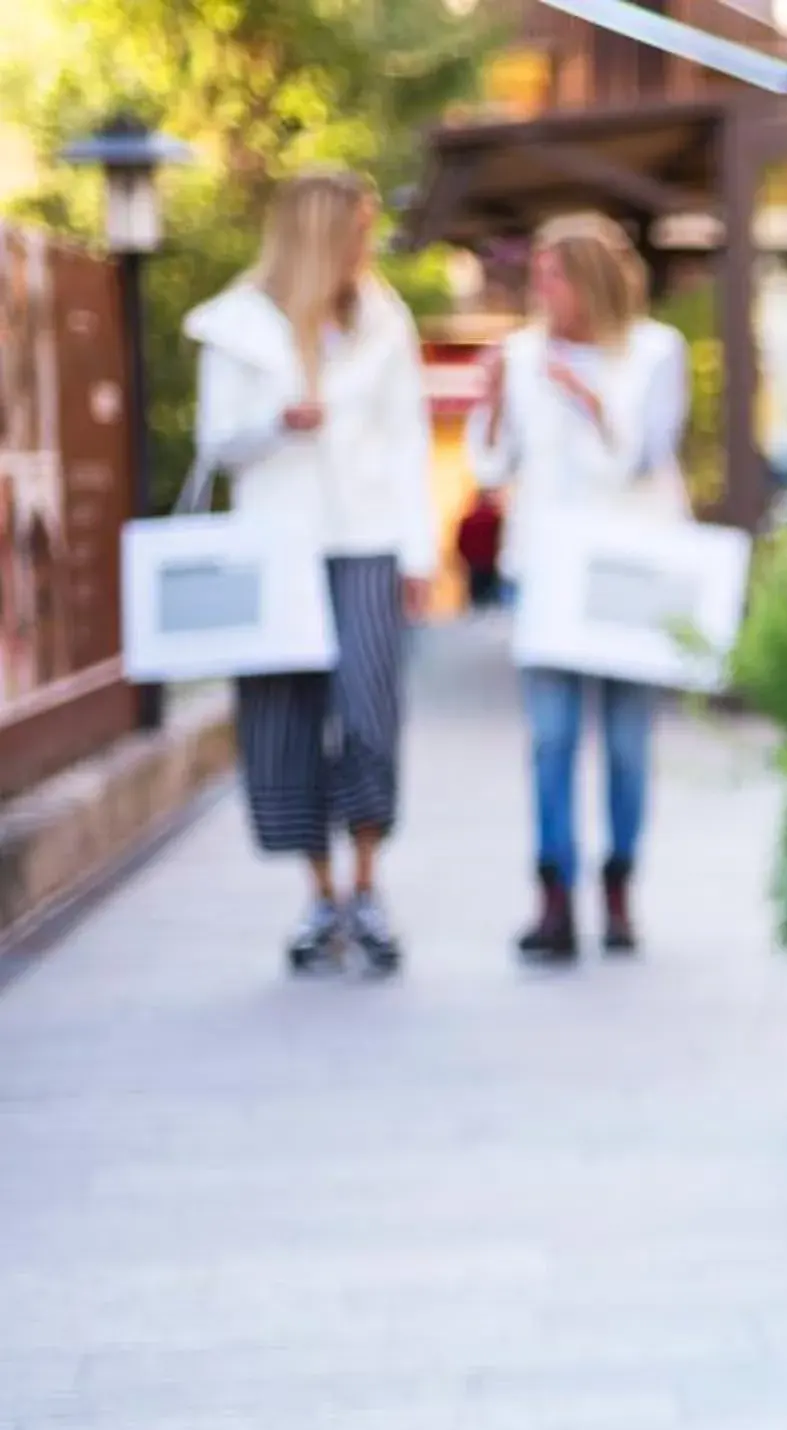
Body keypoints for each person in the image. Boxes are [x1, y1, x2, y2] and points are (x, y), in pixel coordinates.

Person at [185, 169, 435, 976]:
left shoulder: (382, 320)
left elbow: (410, 440)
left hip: (364, 540)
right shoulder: (238, 324)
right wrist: (277, 423)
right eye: (358, 228)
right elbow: (215, 439)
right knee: (283, 722)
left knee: (370, 715)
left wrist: (420, 552)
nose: (369, 244)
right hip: (277, 547)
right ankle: (321, 894)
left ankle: (368, 883)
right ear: (323, 232)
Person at [468, 212, 690, 964]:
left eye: (551, 275)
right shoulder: (523, 355)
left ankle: (620, 882)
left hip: (627, 571)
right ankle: (554, 894)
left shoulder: (658, 352)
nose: (540, 290)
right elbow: (493, 470)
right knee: (552, 739)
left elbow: (645, 458)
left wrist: (594, 404)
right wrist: (494, 398)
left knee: (627, 744)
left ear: (586, 278)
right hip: (547, 571)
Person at [455, 488, 504, 610]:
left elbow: (461, 542)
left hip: (474, 562)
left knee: (476, 596)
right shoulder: (496, 519)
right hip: (491, 561)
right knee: (491, 596)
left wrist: (465, 558)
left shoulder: (468, 520)